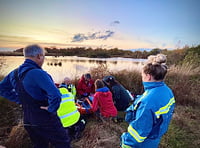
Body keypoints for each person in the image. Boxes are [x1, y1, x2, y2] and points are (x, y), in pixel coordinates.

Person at [0, 44, 71, 148]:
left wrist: (20, 100)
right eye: (43, 56)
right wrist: (51, 108)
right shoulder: (38, 73)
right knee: (63, 143)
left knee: (39, 144)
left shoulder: (14, 73)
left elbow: (2, 88)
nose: (43, 59)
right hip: (45, 117)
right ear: (39, 56)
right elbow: (56, 95)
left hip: (28, 119)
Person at [120, 54, 175, 148]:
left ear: (148, 77)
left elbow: (137, 135)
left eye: (142, 75)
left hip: (143, 144)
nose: (142, 78)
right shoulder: (167, 91)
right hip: (154, 139)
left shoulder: (147, 103)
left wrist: (125, 144)